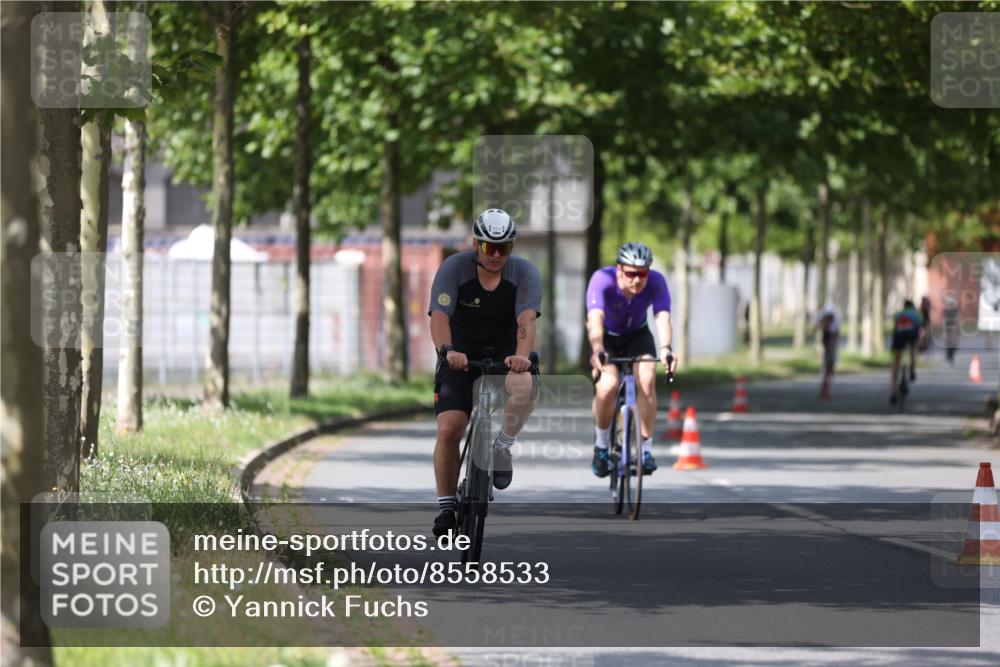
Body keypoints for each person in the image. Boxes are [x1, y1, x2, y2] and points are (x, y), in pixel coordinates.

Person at [427, 209, 541, 537]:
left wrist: (521, 358)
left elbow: (526, 321)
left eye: (504, 248)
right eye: (490, 248)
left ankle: (502, 445)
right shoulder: (453, 269)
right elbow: (439, 316)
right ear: (475, 245)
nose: (496, 255)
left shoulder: (524, 273)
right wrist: (447, 351)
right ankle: (447, 506)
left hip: (506, 355)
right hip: (459, 355)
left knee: (525, 385)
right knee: (450, 429)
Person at [586, 242, 678, 477]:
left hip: (638, 335)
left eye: (642, 274)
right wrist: (597, 349)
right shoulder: (602, 279)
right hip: (607, 338)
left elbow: (662, 317)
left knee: (646, 379)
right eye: (631, 274)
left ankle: (645, 451)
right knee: (607, 386)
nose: (637, 280)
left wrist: (666, 348)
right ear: (619, 270)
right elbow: (595, 318)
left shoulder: (657, 282)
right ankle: (602, 447)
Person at [889, 298, 924, 405]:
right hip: (912, 334)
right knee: (913, 349)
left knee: (896, 360)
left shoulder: (898, 314)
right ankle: (912, 370)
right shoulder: (917, 315)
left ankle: (893, 391)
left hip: (899, 335)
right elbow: (920, 330)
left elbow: (894, 327)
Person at [814, 306, 840, 399]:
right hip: (827, 350)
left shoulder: (832, 325)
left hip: (830, 349)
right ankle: (824, 391)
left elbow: (835, 336)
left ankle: (826, 390)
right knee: (826, 371)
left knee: (829, 371)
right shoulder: (825, 326)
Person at [943, 295, 960, 364]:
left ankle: (950, 356)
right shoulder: (946, 310)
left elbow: (957, 319)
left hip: (952, 328)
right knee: (949, 343)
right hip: (949, 329)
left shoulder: (953, 310)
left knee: (951, 343)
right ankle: (949, 356)